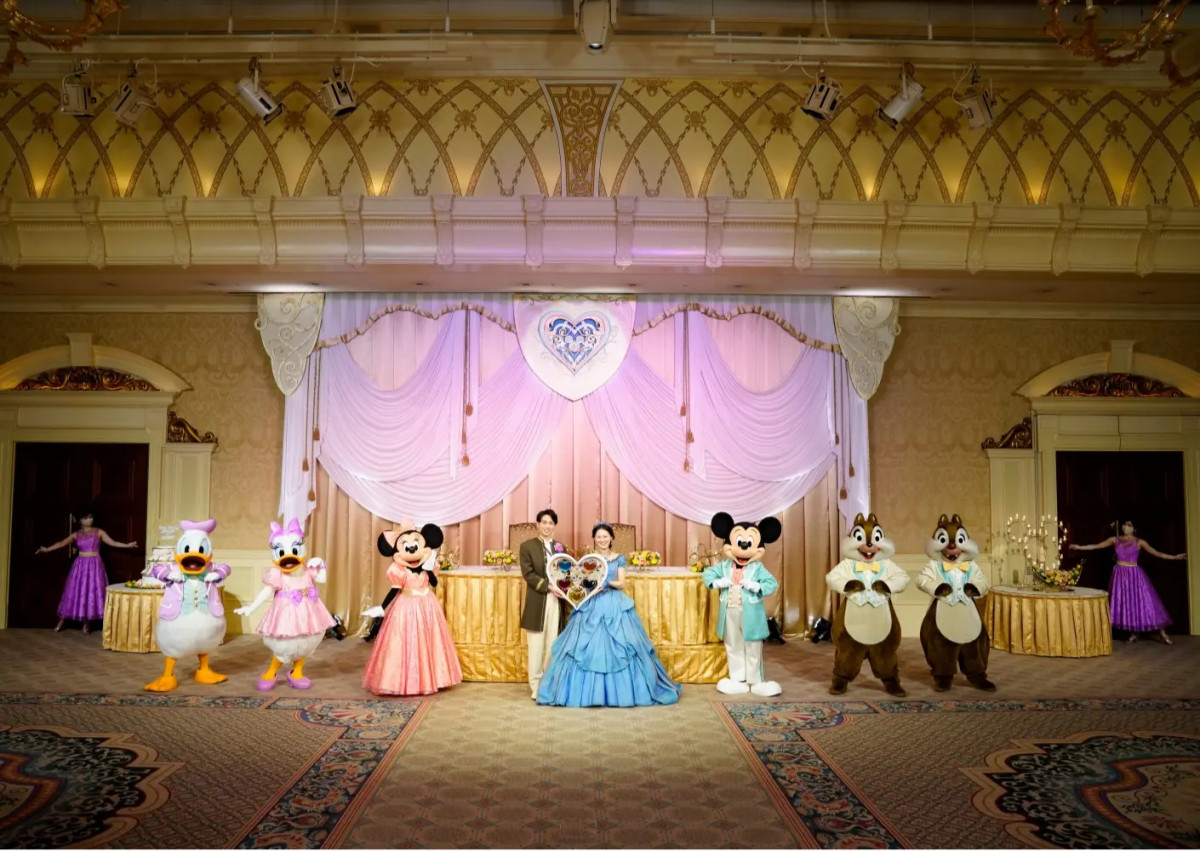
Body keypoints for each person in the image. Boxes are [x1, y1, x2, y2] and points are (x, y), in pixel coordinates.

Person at [537, 522, 681, 707]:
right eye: (598, 537)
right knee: (582, 646)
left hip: (614, 602)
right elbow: (580, 583)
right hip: (592, 603)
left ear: (611, 538)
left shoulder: (619, 558)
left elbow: (622, 583)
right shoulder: (589, 558)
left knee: (626, 645)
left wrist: (606, 583)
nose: (602, 540)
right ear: (594, 539)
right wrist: (589, 585)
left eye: (605, 536)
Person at [1070, 520, 1186, 645]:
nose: (1126, 527)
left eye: (1129, 525)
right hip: (1120, 574)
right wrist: (1079, 547)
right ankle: (1133, 633)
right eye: (1124, 525)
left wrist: (1174, 557)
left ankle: (1162, 633)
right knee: (1127, 603)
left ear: (1133, 528)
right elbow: (1096, 546)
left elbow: (1156, 553)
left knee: (1146, 602)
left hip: (1134, 574)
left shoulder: (1139, 542)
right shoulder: (1115, 540)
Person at [35, 510, 138, 634]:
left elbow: (113, 542)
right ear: (80, 520)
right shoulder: (76, 534)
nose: (89, 519)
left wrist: (127, 545)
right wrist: (47, 549)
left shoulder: (99, 532)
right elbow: (62, 543)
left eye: (91, 517)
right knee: (75, 591)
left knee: (91, 591)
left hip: (95, 565)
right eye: (86, 517)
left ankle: (86, 624)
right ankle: (61, 621)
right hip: (80, 566)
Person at [520, 508, 567, 700]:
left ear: (555, 526)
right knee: (536, 645)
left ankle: (548, 683)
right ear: (538, 525)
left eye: (551, 523)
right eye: (544, 522)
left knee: (552, 643)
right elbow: (528, 574)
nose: (547, 526)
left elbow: (566, 572)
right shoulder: (527, 546)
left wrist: (565, 587)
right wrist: (548, 587)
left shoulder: (561, 547)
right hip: (537, 600)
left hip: (557, 601)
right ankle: (536, 685)